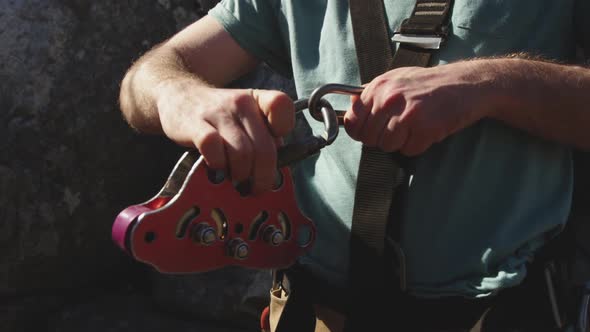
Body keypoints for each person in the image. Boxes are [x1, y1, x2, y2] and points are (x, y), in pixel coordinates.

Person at [118, 1, 590, 331]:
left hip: (498, 312)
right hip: (319, 310)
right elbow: (148, 78)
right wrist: (178, 95)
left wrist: (489, 84)